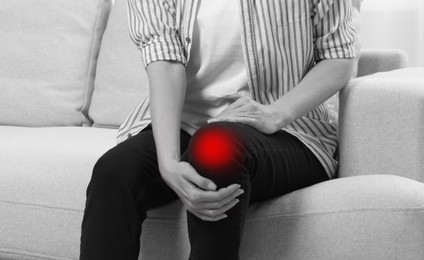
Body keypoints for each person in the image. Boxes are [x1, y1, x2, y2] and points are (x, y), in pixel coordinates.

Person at [80, 0, 357, 259]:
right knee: (114, 172)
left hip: (290, 128)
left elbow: (340, 58)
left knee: (213, 149)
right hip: (188, 123)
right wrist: (169, 163)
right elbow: (164, 62)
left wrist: (275, 113)